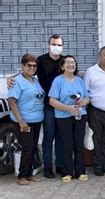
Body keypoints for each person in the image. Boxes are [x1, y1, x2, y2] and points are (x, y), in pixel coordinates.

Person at [7, 34, 65, 178]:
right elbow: (26, 72)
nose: (56, 47)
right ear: (49, 44)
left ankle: (59, 165)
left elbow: (74, 73)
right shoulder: (40, 60)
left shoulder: (65, 60)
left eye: (59, 45)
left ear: (62, 46)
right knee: (48, 136)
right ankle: (47, 167)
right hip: (47, 106)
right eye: (54, 44)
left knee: (60, 137)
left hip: (63, 106)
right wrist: (10, 78)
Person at [48, 55, 90, 183]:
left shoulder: (79, 80)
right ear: (62, 66)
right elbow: (52, 101)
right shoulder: (58, 81)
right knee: (67, 144)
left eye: (73, 62)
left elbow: (87, 97)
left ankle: (80, 171)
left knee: (78, 143)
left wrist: (83, 103)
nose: (71, 65)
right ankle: (67, 173)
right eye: (68, 62)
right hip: (63, 117)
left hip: (80, 116)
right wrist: (68, 108)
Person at [7, 53, 44, 185]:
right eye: (29, 65)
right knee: (27, 147)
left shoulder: (35, 80)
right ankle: (22, 176)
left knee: (33, 146)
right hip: (23, 121)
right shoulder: (17, 81)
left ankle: (29, 174)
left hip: (36, 120)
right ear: (23, 66)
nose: (32, 68)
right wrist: (21, 121)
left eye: (34, 65)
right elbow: (11, 101)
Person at [83, 46, 105, 177]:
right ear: (99, 55)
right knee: (96, 139)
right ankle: (98, 166)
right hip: (96, 111)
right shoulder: (91, 72)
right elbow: (85, 91)